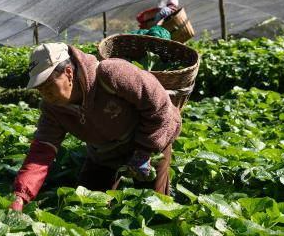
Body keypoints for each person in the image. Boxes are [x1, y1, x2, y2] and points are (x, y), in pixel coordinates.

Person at [9, 43, 181, 211]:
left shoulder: (111, 74)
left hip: (151, 141)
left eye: (48, 86)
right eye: (40, 89)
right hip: (105, 153)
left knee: (154, 206)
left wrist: (144, 149)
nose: (45, 94)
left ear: (68, 72)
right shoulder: (52, 109)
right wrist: (20, 195)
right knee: (83, 207)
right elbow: (41, 152)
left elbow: (159, 107)